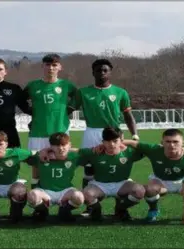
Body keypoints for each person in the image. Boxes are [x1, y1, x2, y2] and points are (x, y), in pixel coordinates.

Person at [74, 59, 139, 215]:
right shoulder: (83, 92)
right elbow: (68, 110)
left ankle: (120, 205)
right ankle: (90, 206)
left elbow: (128, 115)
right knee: (89, 169)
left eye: (105, 70)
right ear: (93, 72)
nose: (102, 73)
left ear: (110, 72)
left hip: (114, 133)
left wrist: (135, 135)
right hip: (92, 131)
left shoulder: (120, 92)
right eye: (98, 70)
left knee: (117, 165)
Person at [122, 129, 184, 225]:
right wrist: (106, 145)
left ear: (182, 143)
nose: (171, 145)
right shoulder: (154, 149)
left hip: (181, 182)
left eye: (175, 142)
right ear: (162, 142)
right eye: (168, 141)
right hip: (160, 181)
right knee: (150, 189)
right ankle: (153, 210)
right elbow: (132, 142)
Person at [23, 54, 77, 189]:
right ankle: (37, 199)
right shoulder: (33, 85)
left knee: (60, 162)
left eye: (54, 65)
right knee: (37, 166)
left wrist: (68, 110)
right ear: (42, 66)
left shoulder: (66, 85)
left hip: (60, 131)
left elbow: (78, 98)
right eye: (47, 65)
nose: (51, 68)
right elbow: (20, 99)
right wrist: (31, 111)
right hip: (38, 131)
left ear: (60, 67)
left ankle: (61, 192)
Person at [80, 127, 145, 221]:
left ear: (121, 140)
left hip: (122, 184)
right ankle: (96, 211)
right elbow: (75, 152)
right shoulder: (95, 152)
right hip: (100, 185)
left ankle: (120, 209)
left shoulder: (129, 152)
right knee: (84, 194)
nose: (111, 144)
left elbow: (150, 149)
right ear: (103, 141)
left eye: (115, 141)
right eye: (107, 141)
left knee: (139, 191)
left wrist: (129, 142)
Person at [27, 132, 84, 222]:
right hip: (45, 191)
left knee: (79, 197)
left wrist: (47, 149)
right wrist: (42, 151)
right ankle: (43, 210)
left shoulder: (74, 157)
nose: (60, 148)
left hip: (65, 191)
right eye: (56, 146)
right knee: (32, 196)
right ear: (51, 146)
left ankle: (64, 209)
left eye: (63, 145)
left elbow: (88, 152)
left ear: (69, 145)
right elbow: (23, 154)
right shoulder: (42, 156)